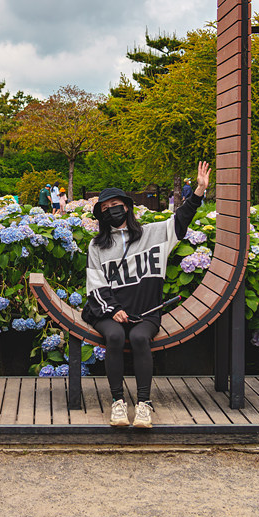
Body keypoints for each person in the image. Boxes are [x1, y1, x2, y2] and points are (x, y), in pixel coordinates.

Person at [83, 160, 210, 429]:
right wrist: (114, 309)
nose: (111, 211)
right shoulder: (97, 245)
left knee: (140, 337)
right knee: (115, 336)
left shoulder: (155, 234)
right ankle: (118, 403)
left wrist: (198, 191)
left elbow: (182, 218)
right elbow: (95, 284)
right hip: (108, 310)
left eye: (114, 205)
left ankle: (143, 404)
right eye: (104, 209)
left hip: (145, 311)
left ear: (126, 207)